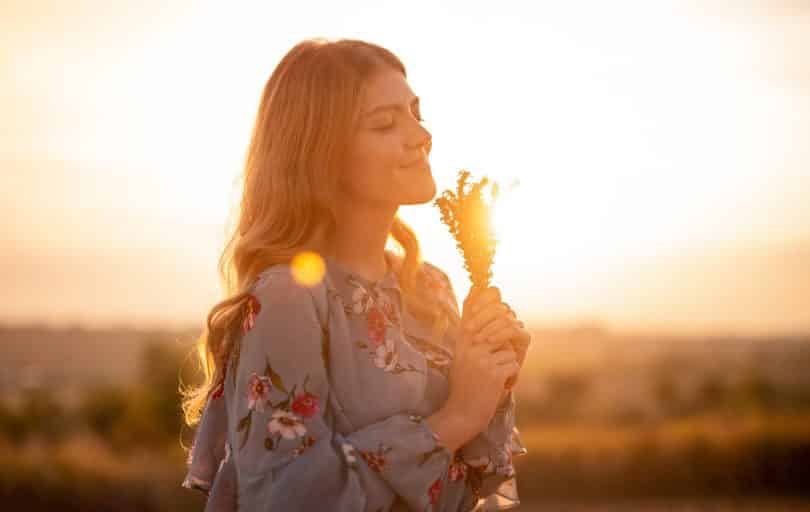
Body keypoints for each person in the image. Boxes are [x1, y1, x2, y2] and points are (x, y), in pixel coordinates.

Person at [180, 37, 532, 511]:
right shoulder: (289, 298)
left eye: (415, 112)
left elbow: (474, 483)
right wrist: (458, 415)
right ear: (322, 153)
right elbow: (288, 500)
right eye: (386, 123)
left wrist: (491, 379)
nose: (421, 135)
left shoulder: (430, 287)